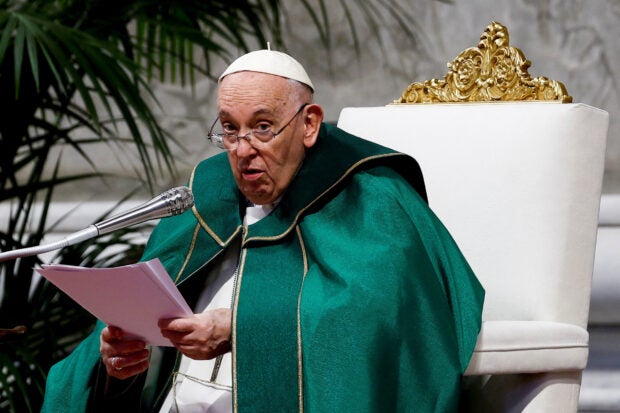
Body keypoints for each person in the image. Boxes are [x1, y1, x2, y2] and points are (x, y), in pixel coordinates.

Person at [42, 49, 484, 412]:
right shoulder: (205, 195)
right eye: (229, 129)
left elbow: (383, 314)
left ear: (309, 123)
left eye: (263, 127)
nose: (242, 150)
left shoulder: (370, 196)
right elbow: (137, 339)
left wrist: (238, 327)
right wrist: (120, 365)